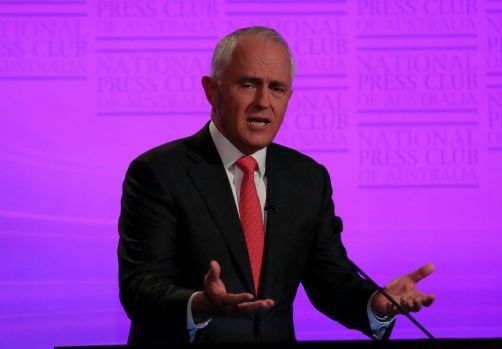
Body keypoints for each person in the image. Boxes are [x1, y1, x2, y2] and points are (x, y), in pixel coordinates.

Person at [117, 26, 435, 344]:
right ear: (212, 90)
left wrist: (377, 304)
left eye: (277, 88)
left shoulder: (308, 179)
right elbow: (141, 287)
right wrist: (199, 305)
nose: (263, 101)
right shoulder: (158, 173)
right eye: (248, 84)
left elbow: (330, 280)